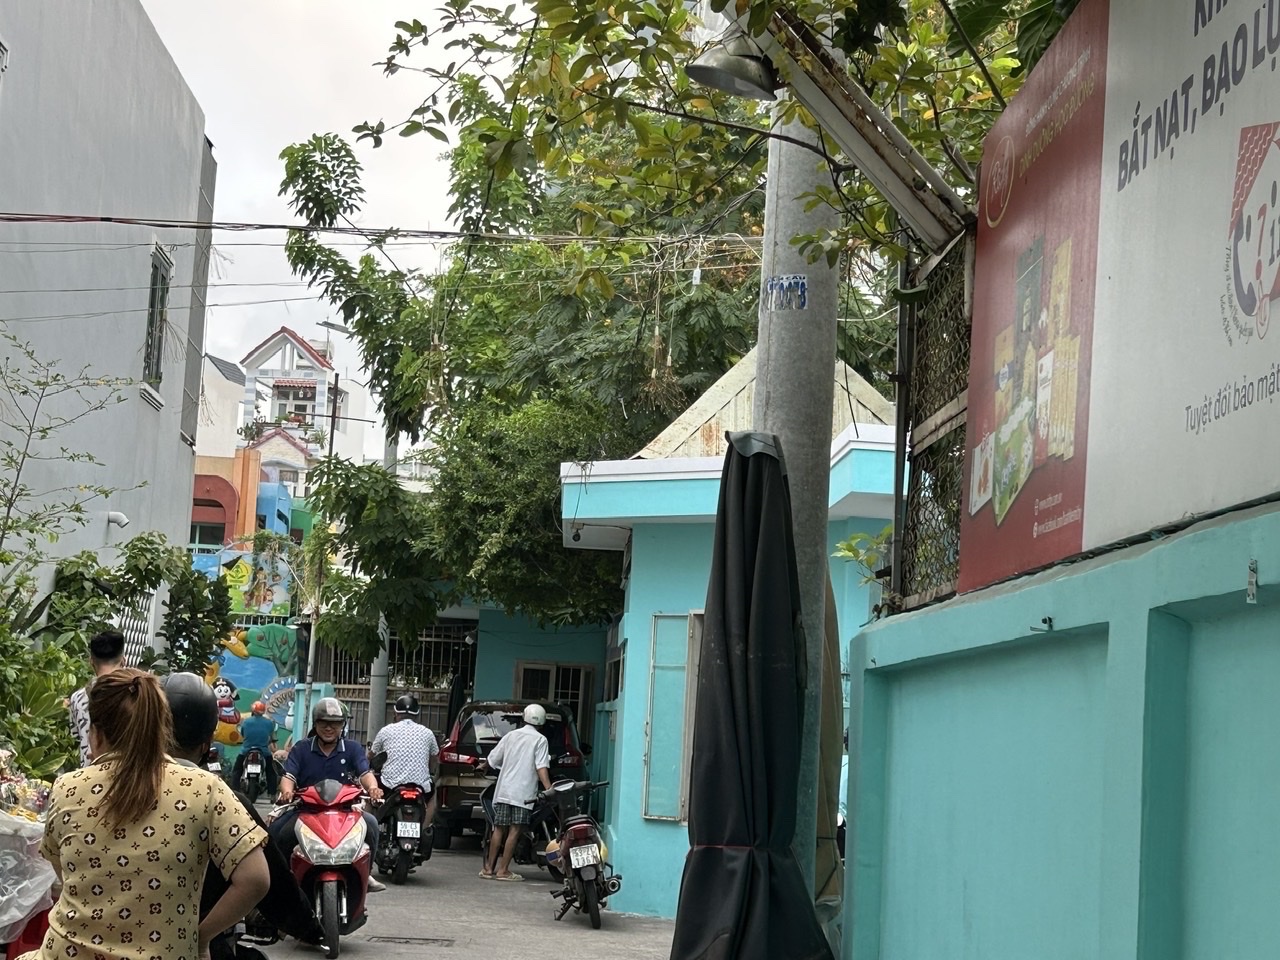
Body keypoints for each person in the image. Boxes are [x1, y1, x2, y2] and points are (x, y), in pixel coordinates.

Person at [18, 668, 270, 960]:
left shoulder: (68, 787)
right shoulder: (205, 788)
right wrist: (200, 938)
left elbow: (64, 873)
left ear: (96, 734)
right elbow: (256, 879)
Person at [160, 673, 323, 958]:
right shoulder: (221, 798)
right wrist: (307, 927)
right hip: (192, 940)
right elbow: (265, 880)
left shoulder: (88, 788)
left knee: (239, 769)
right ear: (207, 740)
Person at [270, 697, 386, 892]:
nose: (329, 728)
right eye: (323, 723)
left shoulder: (352, 748)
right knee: (277, 832)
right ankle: (280, 881)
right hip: (306, 810)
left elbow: (365, 773)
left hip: (345, 811)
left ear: (342, 725)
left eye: (335, 723)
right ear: (315, 724)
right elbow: (288, 776)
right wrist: (287, 791)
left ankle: (366, 874)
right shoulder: (301, 748)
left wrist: (373, 788)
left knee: (372, 825)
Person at [479, 703, 553, 881]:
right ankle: (503, 871)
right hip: (523, 794)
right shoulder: (540, 740)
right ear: (542, 722)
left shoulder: (511, 735)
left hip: (504, 791)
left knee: (498, 829)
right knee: (514, 830)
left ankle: (488, 869)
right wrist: (550, 789)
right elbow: (541, 767)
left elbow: (493, 758)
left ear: (524, 718)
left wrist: (484, 766)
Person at [371, 694, 440, 853]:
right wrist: (430, 772)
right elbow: (434, 758)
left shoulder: (386, 731)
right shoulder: (427, 733)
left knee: (371, 792)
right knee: (433, 797)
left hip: (390, 784)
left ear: (395, 713)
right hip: (420, 785)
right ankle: (423, 829)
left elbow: (371, 755)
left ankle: (370, 828)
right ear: (417, 714)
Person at [66, 629, 125, 767]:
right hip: (125, 773)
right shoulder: (132, 693)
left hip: (88, 774)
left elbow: (77, 737)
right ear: (123, 660)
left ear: (91, 661)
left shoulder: (77, 698)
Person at [231, 701, 279, 797]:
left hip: (246, 750)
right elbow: (271, 736)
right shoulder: (269, 723)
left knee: (237, 770)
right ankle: (272, 793)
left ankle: (234, 791)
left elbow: (243, 734)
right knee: (271, 771)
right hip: (264, 751)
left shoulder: (246, 722)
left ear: (253, 710)